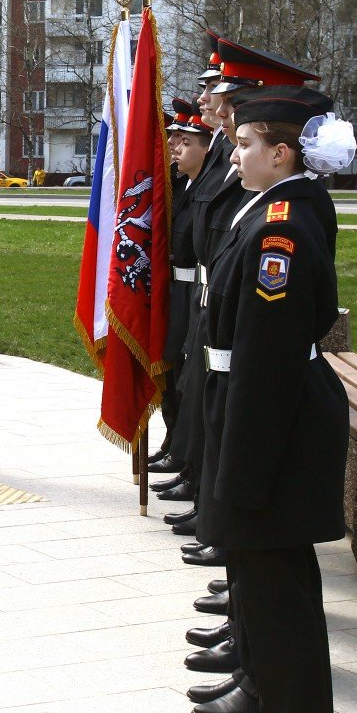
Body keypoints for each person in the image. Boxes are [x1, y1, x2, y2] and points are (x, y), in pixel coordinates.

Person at [190, 84, 354, 713]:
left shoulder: (279, 231)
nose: (235, 154)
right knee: (266, 587)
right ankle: (278, 707)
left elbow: (268, 361)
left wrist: (242, 473)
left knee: (279, 597)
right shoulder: (270, 209)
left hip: (270, 430)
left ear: (283, 153)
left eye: (248, 143)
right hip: (253, 411)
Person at [151, 97, 208, 470]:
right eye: (172, 138)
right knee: (171, 367)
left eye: (184, 141)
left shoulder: (206, 186)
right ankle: (173, 439)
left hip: (193, 289)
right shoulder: (177, 183)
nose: (173, 146)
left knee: (187, 371)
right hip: (174, 288)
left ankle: (185, 450)